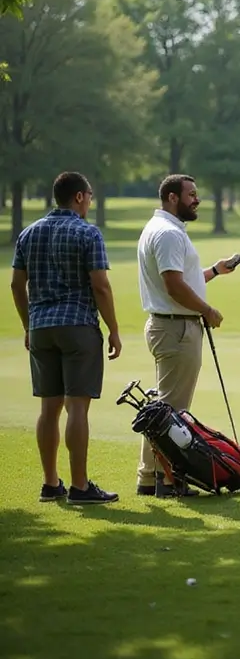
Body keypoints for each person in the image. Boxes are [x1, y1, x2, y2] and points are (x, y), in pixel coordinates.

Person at [10, 171, 121, 505]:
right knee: (77, 408)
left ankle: (50, 484)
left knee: (48, 409)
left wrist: (29, 325)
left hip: (41, 327)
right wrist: (114, 328)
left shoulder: (28, 234)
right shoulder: (87, 233)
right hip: (77, 325)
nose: (90, 201)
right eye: (89, 195)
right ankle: (80, 486)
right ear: (78, 197)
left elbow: (17, 285)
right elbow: (100, 285)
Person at [136, 174, 240, 497]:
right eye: (191, 194)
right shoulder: (168, 233)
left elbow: (184, 280)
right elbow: (174, 285)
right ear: (171, 198)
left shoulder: (164, 229)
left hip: (170, 324)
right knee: (171, 411)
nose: (197, 200)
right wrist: (207, 311)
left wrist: (214, 272)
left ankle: (150, 475)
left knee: (164, 407)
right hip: (176, 327)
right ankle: (166, 481)